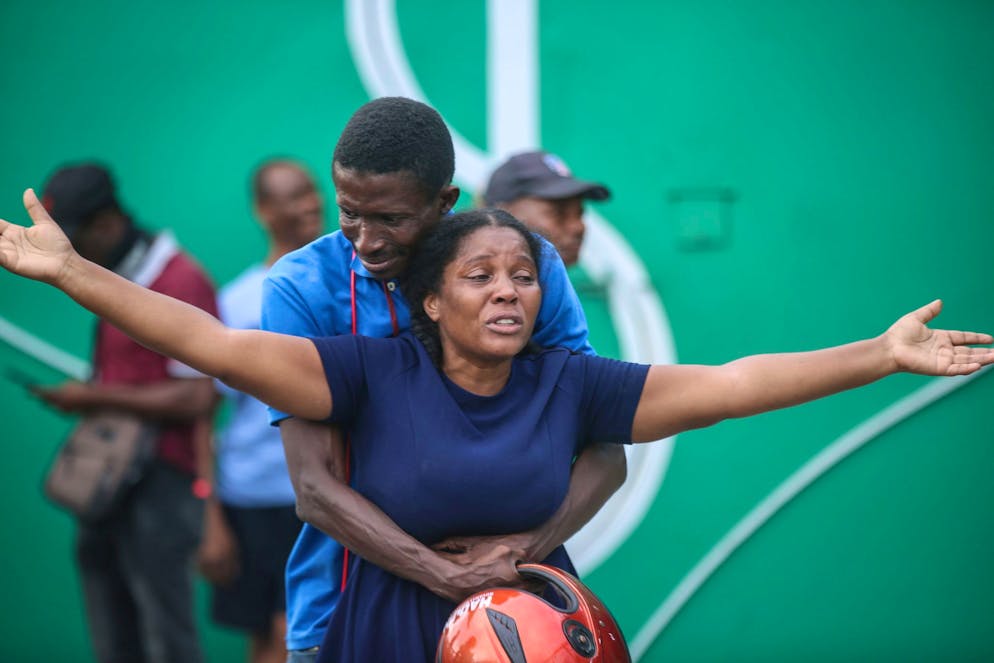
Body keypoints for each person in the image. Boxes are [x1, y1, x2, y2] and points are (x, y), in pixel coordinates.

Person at [3, 198, 991, 662]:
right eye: (480, 276)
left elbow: (730, 384)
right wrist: (72, 274)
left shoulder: (571, 384)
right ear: (429, 299)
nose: (509, 290)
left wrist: (878, 353)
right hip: (385, 637)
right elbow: (211, 343)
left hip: (534, 643)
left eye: (522, 274)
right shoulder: (367, 374)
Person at [263, 97, 626, 661]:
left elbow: (605, 448)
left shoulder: (528, 270)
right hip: (336, 614)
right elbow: (314, 487)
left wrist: (519, 551)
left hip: (507, 618)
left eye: (392, 219)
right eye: (349, 213)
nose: (366, 240)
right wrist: (442, 574)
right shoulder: (300, 287)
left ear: (444, 201)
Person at [28, 165, 218, 663]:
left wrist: (93, 398)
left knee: (166, 639)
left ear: (109, 224)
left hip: (161, 486)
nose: (65, 252)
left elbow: (196, 397)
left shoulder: (179, 278)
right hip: (109, 488)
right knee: (112, 638)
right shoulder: (116, 277)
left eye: (73, 237)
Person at [199, 159, 322, 663]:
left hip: (329, 497)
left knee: (301, 632)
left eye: (310, 191)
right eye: (289, 196)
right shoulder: (237, 303)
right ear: (262, 210)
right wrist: (210, 517)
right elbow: (202, 417)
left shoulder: (349, 284)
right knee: (271, 639)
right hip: (255, 503)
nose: (307, 205)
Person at [482, 150, 610, 266]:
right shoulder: (468, 290)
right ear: (501, 215)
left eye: (580, 214)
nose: (578, 227)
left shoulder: (560, 289)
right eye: (558, 213)